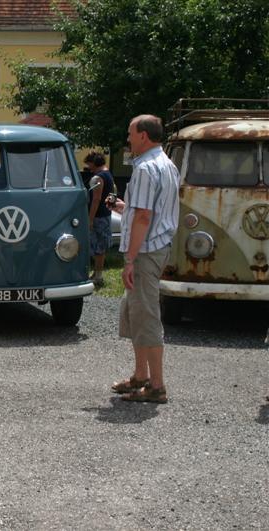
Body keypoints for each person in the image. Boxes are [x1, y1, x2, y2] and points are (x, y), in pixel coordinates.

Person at [109, 115, 179, 404]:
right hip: (157, 246)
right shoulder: (167, 164)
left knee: (146, 313)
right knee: (134, 309)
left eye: (130, 133)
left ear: (143, 136)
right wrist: (126, 207)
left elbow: (144, 217)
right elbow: (149, 211)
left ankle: (157, 386)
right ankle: (141, 375)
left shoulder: (146, 169)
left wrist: (130, 259)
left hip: (146, 252)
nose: (128, 139)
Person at [84, 151, 115, 287]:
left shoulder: (98, 178)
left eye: (89, 164)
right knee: (100, 247)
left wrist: (90, 219)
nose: (88, 167)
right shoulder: (108, 173)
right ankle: (97, 274)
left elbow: (96, 199)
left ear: (94, 162)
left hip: (98, 216)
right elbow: (113, 192)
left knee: (98, 248)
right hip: (106, 214)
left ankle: (98, 276)